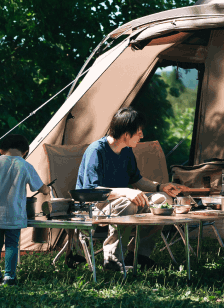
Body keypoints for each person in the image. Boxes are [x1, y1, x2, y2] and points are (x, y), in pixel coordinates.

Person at [76, 107, 187, 271]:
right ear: (126, 133)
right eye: (139, 132)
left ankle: (138, 256)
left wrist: (160, 187)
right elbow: (92, 190)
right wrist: (126, 191)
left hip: (119, 202)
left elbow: (138, 180)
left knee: (163, 201)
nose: (142, 136)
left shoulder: (127, 151)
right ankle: (112, 260)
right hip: (93, 206)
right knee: (128, 204)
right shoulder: (96, 150)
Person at [0, 133, 44, 286]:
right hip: (15, 212)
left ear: (1, 150)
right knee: (11, 244)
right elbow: (39, 186)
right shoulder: (25, 165)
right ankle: (9, 276)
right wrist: (46, 189)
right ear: (25, 152)